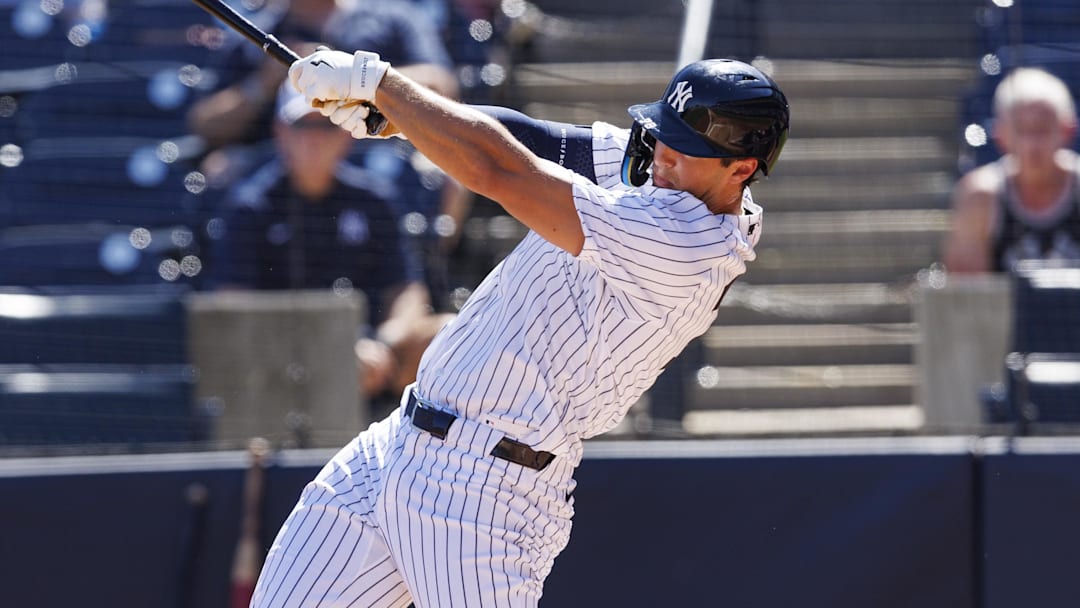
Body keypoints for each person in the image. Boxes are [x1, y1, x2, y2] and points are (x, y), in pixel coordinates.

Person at [249, 50, 789, 608]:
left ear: (742, 169)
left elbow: (500, 171)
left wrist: (381, 84)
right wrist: (398, 117)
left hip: (487, 487)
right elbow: (533, 141)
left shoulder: (688, 244)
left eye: (686, 150)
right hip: (397, 443)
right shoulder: (669, 171)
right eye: (663, 135)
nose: (662, 156)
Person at [213, 82, 453, 410]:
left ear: (344, 134)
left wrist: (380, 343)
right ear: (281, 132)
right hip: (284, 358)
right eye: (302, 125)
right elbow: (234, 309)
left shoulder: (374, 199)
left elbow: (407, 292)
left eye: (325, 125)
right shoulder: (249, 207)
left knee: (446, 334)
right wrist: (331, 354)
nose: (313, 138)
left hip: (372, 356)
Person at [944, 67, 1080, 274]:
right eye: (1021, 130)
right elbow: (966, 296)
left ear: (1067, 130)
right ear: (1000, 135)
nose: (1032, 144)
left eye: (1042, 129)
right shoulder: (980, 199)